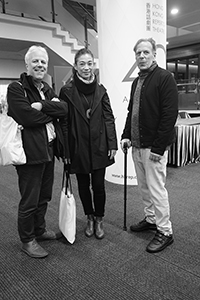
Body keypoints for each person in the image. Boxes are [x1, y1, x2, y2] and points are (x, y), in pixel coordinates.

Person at [7, 45, 68, 258]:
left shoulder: (46, 88)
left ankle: (39, 230)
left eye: (43, 62)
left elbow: (64, 110)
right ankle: (27, 239)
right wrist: (51, 110)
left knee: (44, 196)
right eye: (35, 61)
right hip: (29, 153)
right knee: (29, 199)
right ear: (27, 64)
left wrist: (42, 107)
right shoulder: (16, 89)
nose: (40, 65)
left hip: (48, 151)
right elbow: (26, 117)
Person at [121, 38, 178, 253]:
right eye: (138, 53)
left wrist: (158, 148)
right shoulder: (137, 81)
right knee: (145, 188)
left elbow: (169, 116)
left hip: (153, 148)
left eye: (146, 52)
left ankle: (165, 231)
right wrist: (126, 135)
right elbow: (132, 113)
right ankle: (151, 219)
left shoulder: (165, 78)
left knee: (156, 190)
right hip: (137, 145)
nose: (142, 56)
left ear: (154, 54)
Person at [59, 48, 118, 239]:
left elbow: (109, 118)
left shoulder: (101, 91)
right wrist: (66, 150)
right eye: (82, 64)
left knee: (99, 186)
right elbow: (64, 123)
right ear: (75, 66)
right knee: (83, 186)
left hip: (99, 145)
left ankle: (99, 218)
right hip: (78, 147)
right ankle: (89, 217)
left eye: (89, 63)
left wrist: (112, 144)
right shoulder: (66, 91)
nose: (86, 67)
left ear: (94, 65)